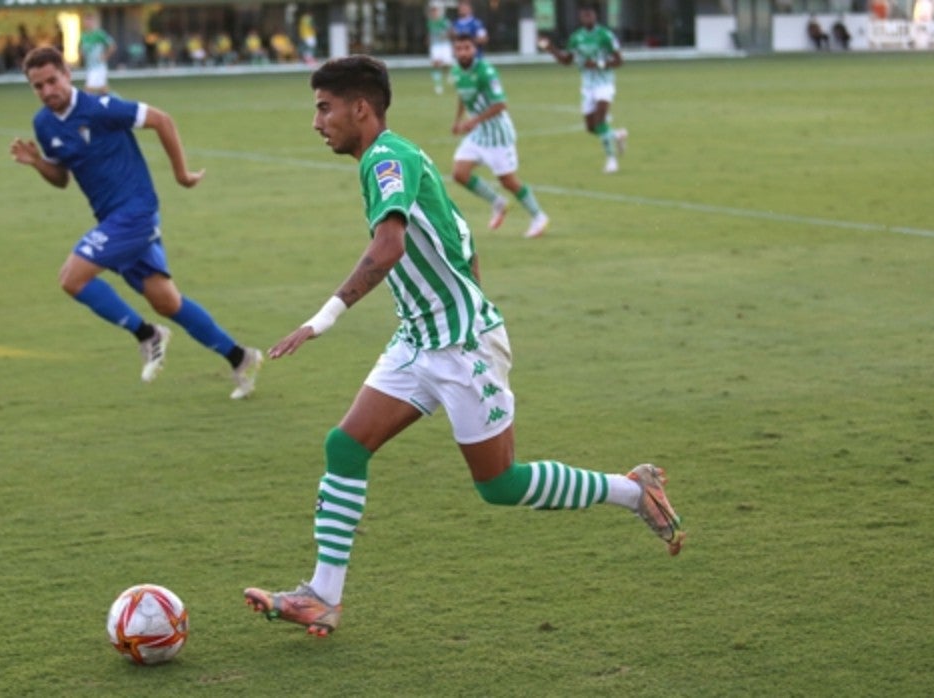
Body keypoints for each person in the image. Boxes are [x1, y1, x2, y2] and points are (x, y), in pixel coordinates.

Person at [242, 55, 684, 638]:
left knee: (500, 485)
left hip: (461, 347)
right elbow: (462, 238)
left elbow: (388, 247)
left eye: (325, 109)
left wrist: (322, 319)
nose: (317, 122)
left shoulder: (386, 159)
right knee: (345, 447)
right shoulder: (398, 157)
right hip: (418, 340)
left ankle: (632, 491)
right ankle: (323, 597)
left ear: (360, 108)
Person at [8, 47, 263, 398]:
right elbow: (61, 178)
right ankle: (240, 357)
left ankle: (147, 334)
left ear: (67, 74)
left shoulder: (101, 108)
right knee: (167, 302)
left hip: (136, 212)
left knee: (71, 278)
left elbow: (162, 120)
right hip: (112, 220)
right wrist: (38, 163)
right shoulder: (44, 124)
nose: (47, 90)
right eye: (38, 86)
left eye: (53, 80)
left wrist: (181, 174)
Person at [449, 34, 549, 239]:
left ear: (474, 49)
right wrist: (458, 120)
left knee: (508, 181)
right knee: (459, 173)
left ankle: (538, 216)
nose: (463, 53)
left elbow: (501, 104)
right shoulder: (456, 71)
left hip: (498, 136)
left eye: (467, 48)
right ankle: (498, 202)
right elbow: (462, 95)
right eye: (459, 49)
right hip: (479, 134)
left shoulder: (486, 72)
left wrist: (474, 121)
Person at [540, 4, 629, 174]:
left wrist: (599, 64)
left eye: (590, 15)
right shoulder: (576, 37)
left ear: (595, 16)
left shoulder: (605, 35)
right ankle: (617, 135)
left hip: (604, 84)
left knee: (600, 121)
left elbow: (619, 60)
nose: (587, 18)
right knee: (591, 127)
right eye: (584, 15)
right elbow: (567, 61)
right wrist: (551, 49)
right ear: (580, 18)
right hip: (587, 86)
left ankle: (611, 160)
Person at [79, 13, 116, 95]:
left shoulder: (99, 34)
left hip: (99, 66)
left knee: (88, 90)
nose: (87, 23)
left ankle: (86, 103)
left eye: (89, 21)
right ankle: (114, 100)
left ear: (94, 22)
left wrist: (105, 56)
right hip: (90, 66)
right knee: (103, 90)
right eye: (86, 21)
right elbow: (82, 48)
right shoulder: (83, 36)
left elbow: (112, 46)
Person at [426, 3, 452, 95]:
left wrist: (445, 35)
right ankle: (438, 85)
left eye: (435, 10)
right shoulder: (430, 22)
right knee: (436, 64)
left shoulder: (444, 21)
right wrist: (428, 40)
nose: (434, 12)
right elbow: (429, 33)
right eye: (433, 10)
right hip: (435, 45)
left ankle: (448, 74)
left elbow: (450, 32)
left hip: (445, 45)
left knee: (447, 64)